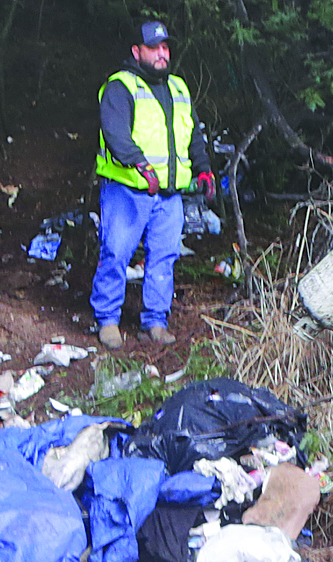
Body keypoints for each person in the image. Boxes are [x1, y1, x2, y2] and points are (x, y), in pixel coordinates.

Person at [92, 20, 214, 350]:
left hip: (169, 194)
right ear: (137, 51)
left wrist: (203, 169)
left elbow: (194, 136)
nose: (162, 53)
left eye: (165, 47)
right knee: (116, 252)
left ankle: (155, 323)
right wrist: (139, 164)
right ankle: (107, 320)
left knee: (163, 257)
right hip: (128, 189)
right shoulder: (121, 87)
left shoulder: (178, 88)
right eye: (154, 47)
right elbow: (115, 134)